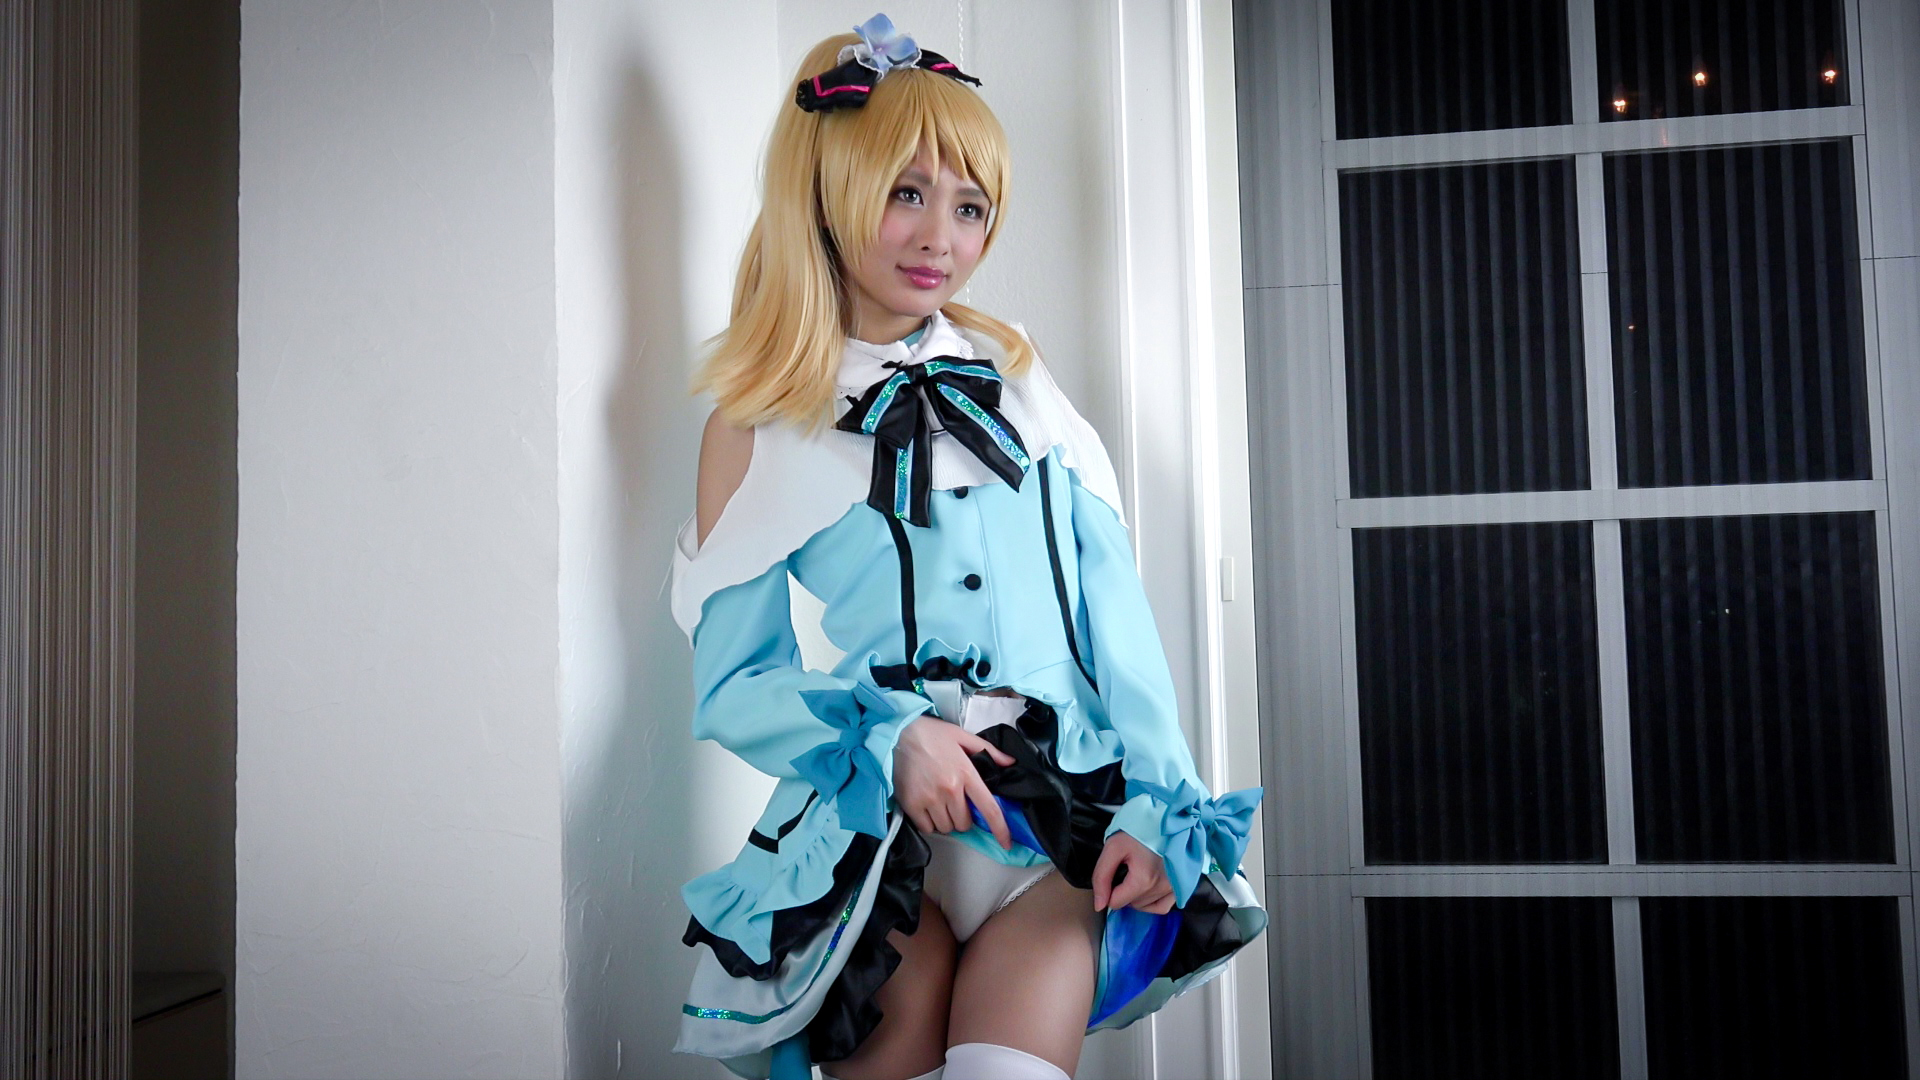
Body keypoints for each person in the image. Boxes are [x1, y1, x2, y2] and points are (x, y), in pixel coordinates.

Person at [669, 15, 1265, 1080]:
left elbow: (1115, 620)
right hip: (874, 837)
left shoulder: (1023, 385)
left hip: (1051, 832)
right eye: (906, 194)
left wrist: (1157, 799)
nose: (940, 238)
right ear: (826, 192)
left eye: (970, 207)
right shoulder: (754, 423)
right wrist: (895, 737)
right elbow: (734, 683)